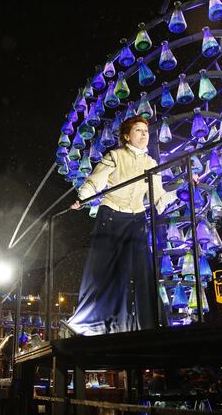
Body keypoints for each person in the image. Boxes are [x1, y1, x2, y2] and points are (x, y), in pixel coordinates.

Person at [67, 116, 178, 335]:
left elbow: (159, 198)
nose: (144, 134)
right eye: (138, 130)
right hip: (111, 215)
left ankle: (141, 326)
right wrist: (84, 198)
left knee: (138, 271)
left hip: (136, 219)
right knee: (104, 270)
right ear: (127, 136)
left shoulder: (151, 164)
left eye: (146, 131)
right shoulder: (115, 156)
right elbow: (94, 182)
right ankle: (92, 322)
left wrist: (182, 189)